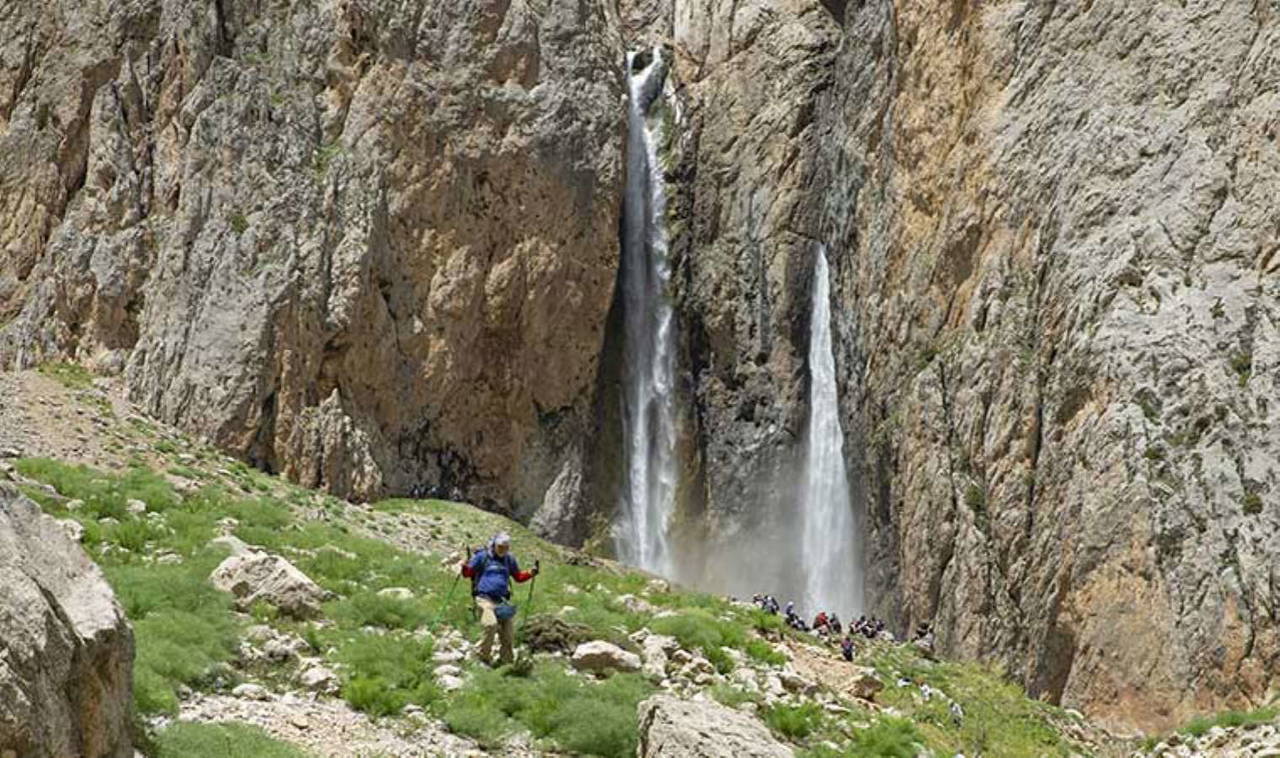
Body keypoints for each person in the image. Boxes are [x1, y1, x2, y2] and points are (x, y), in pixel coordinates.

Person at [460, 532, 538, 665]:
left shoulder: (509, 559)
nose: (503, 550)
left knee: (508, 633)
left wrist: (530, 573)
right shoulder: (482, 557)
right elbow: (468, 574)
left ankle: (506, 663)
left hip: (501, 601)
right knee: (491, 625)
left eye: (506, 548)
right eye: (500, 547)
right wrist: (464, 566)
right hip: (484, 599)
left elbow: (518, 577)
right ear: (494, 545)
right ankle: (482, 657)